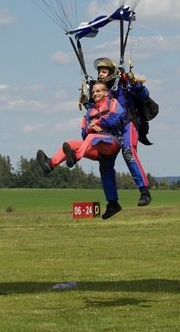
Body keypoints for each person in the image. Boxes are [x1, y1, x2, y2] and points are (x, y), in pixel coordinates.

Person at [37, 81, 126, 219]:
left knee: (92, 138)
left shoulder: (113, 103)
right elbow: (84, 133)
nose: (95, 93)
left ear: (106, 93)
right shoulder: (90, 112)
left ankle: (76, 157)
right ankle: (51, 164)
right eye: (94, 92)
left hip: (111, 142)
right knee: (70, 143)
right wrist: (89, 128)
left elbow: (117, 119)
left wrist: (99, 123)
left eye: (99, 91)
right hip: (97, 148)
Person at [90, 57, 153, 207]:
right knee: (105, 162)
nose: (100, 75)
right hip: (110, 129)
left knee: (128, 153)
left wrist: (134, 82)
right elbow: (94, 112)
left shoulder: (123, 83)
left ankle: (144, 192)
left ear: (111, 72)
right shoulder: (98, 89)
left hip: (127, 124)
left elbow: (144, 94)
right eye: (99, 72)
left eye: (104, 72)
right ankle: (112, 203)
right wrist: (87, 101)